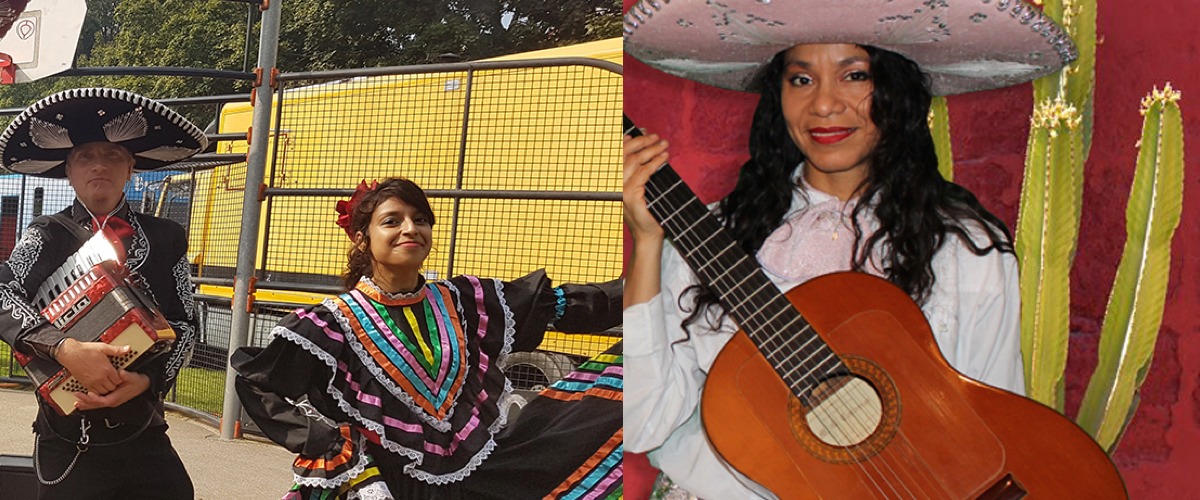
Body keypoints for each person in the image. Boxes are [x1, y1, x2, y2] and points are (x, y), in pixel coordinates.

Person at [621, 0, 1079, 498]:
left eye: (854, 76)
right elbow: (643, 425)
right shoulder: (713, 237)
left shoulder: (965, 249)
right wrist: (649, 244)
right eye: (801, 79)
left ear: (897, 91)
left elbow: (998, 429)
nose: (823, 104)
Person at [232, 177, 623, 499]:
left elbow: (566, 307)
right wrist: (323, 440)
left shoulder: (468, 301)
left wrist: (650, 286)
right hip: (380, 484)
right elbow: (257, 385)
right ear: (361, 238)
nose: (410, 229)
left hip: (471, 475)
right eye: (392, 220)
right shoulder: (330, 323)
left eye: (420, 219)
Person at [0, 88, 207, 499]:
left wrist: (146, 381)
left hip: (145, 430)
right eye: (85, 157)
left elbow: (185, 324)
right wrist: (63, 349)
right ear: (69, 172)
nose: (99, 165)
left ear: (131, 169)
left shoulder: (167, 237)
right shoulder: (46, 234)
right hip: (68, 435)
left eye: (113, 156)